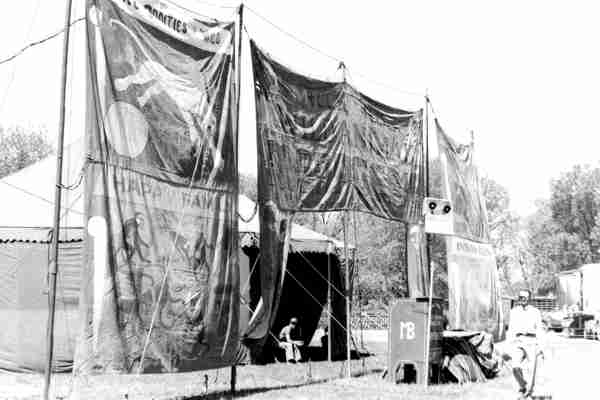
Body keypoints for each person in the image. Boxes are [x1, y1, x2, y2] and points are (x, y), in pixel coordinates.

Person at [502, 289, 544, 397]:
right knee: (515, 366)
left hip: (531, 341)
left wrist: (541, 347)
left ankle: (529, 392)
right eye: (521, 297)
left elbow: (539, 329)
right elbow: (511, 330)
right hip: (518, 341)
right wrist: (507, 347)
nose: (523, 299)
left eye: (525, 297)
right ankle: (523, 385)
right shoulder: (514, 311)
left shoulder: (535, 312)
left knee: (532, 370)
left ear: (529, 299)